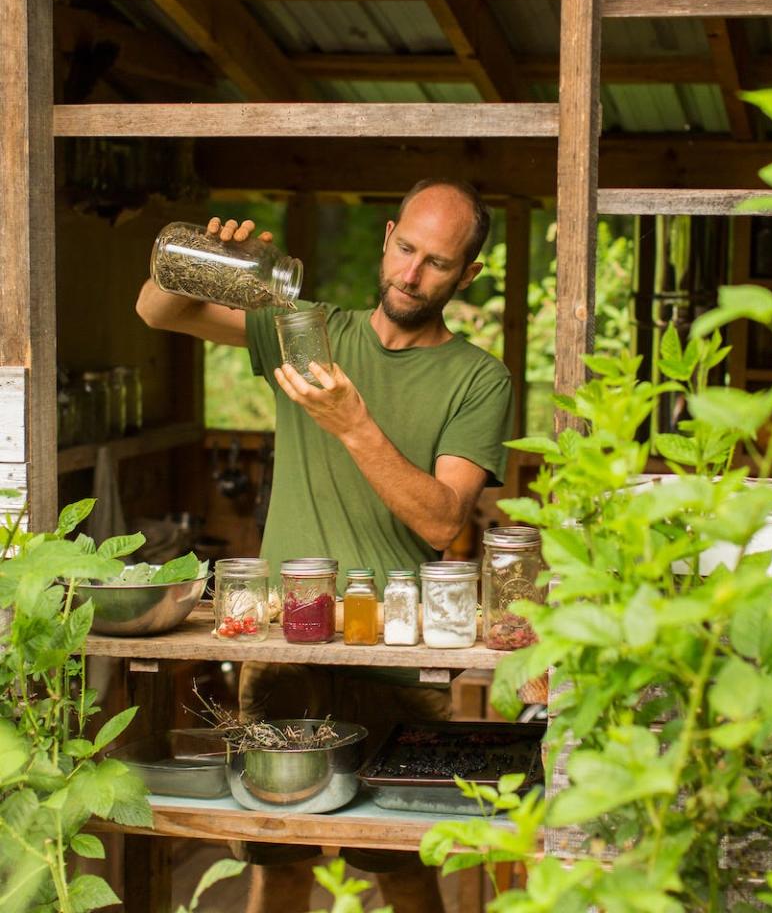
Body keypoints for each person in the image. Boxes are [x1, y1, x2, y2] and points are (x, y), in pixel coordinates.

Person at [136, 179, 514, 913]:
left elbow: (443, 522)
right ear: (386, 239)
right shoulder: (306, 329)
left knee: (403, 867)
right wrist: (207, 259)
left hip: (398, 653)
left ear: (467, 275)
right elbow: (158, 311)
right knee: (279, 864)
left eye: (437, 263)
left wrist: (353, 423)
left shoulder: (478, 377)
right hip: (283, 642)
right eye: (405, 248)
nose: (411, 274)